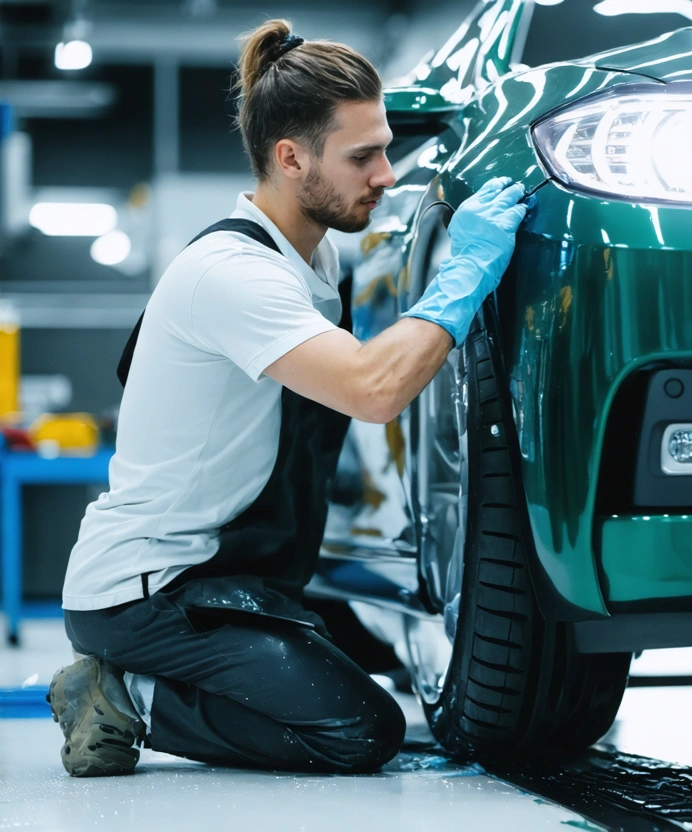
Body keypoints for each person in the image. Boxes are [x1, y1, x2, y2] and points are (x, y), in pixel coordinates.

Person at [47, 19, 528, 777]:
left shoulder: (313, 253)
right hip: (151, 592)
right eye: (363, 156)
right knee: (361, 730)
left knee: (347, 678)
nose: (387, 175)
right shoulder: (235, 274)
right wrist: (461, 277)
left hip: (227, 572)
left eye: (387, 148)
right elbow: (373, 388)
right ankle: (123, 691)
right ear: (291, 158)